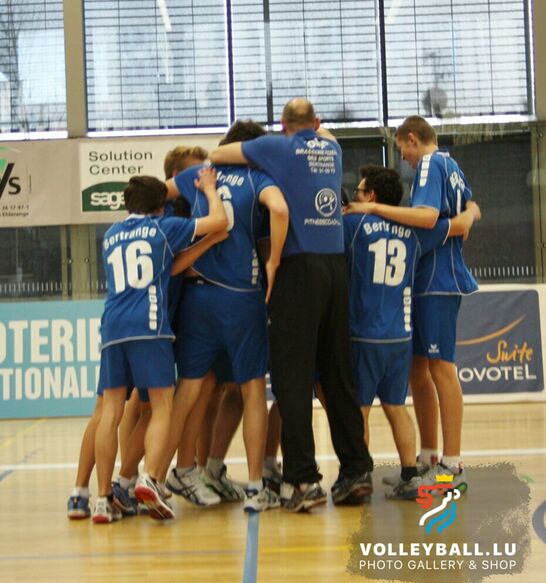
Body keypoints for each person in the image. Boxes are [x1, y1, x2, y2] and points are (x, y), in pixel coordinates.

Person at [209, 98, 374, 512]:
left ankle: (302, 480)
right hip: (335, 270)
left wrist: (266, 150)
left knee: (292, 379)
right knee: (337, 375)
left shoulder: (276, 147)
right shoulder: (332, 147)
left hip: (298, 269)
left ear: (283, 125)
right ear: (316, 122)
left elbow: (218, 154)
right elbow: (321, 133)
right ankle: (356, 471)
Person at [160, 119, 289, 513]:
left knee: (188, 391)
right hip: (241, 297)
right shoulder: (259, 179)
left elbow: (157, 195)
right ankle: (255, 486)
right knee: (251, 391)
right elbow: (279, 208)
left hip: (197, 297)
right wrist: (274, 262)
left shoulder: (199, 174)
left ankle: (157, 475)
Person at [346, 115, 477, 491]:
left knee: (441, 368)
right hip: (428, 278)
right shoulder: (451, 165)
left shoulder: (430, 164)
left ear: (413, 138)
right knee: (418, 372)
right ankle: (427, 458)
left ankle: (451, 465)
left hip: (438, 279)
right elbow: (470, 208)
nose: (402, 157)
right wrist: (469, 216)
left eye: (402, 147)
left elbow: (428, 216)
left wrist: (374, 209)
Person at [92, 171, 227, 523]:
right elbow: (220, 220)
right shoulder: (163, 228)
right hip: (149, 326)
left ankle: (102, 498)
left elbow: (167, 267)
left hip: (112, 327)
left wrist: (205, 245)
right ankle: (150, 476)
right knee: (162, 405)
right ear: (160, 207)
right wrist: (210, 189)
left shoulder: (111, 235)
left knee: (110, 412)